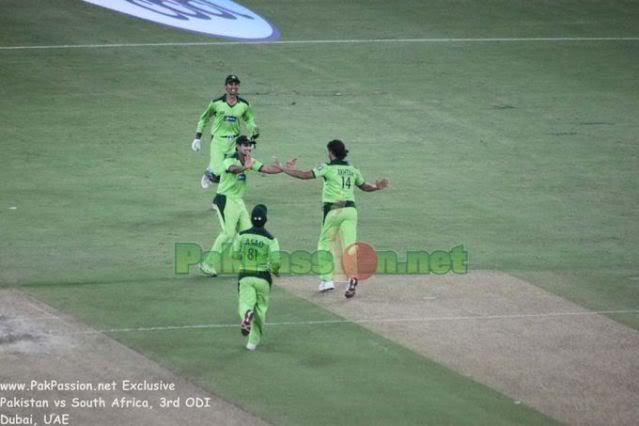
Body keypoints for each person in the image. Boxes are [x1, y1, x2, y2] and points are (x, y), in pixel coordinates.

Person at [277, 139, 388, 298]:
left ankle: (327, 280)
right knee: (349, 246)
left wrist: (284, 169)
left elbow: (305, 175)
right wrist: (376, 187)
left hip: (334, 211)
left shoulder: (327, 167)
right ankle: (352, 278)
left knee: (324, 244)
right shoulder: (352, 169)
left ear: (330, 152)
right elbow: (364, 186)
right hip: (350, 211)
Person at [199, 136, 281, 276]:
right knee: (228, 234)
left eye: (249, 146)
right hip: (225, 198)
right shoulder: (229, 159)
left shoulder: (250, 161)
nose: (248, 148)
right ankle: (207, 264)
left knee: (249, 233)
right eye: (245, 146)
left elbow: (266, 168)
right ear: (237, 146)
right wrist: (245, 167)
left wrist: (283, 168)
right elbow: (232, 169)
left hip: (238, 201)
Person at [191, 74, 260, 192]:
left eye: (236, 84)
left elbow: (249, 119)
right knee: (219, 172)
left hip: (234, 142)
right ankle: (210, 172)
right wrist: (198, 137)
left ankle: (220, 199)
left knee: (231, 171)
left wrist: (253, 129)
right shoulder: (216, 103)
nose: (233, 86)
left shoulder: (244, 105)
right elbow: (204, 118)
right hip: (218, 140)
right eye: (230, 84)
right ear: (226, 87)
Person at [233, 204, 280, 352]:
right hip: (263, 278)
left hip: (246, 276)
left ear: (251, 219)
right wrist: (275, 270)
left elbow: (233, 254)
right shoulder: (271, 239)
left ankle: (247, 314)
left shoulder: (241, 235)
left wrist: (243, 257)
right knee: (260, 310)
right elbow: (276, 261)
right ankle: (252, 343)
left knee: (245, 303)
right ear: (266, 220)